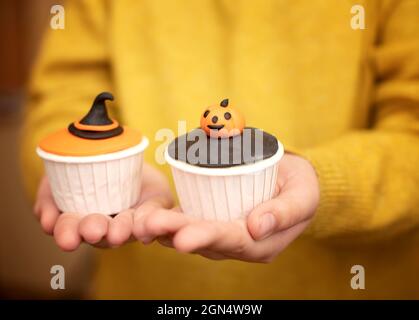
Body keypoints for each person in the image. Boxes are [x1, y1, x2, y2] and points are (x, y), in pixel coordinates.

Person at [21, 0, 419, 298]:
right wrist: (76, 170)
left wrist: (324, 182)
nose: (214, 123)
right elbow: (63, 97)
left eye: (220, 119)